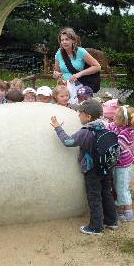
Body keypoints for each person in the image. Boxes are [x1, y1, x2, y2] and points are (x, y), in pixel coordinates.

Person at [51, 99, 117, 235]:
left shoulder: (86, 132)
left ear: (88, 116)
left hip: (92, 170)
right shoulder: (105, 126)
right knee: (107, 193)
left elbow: (68, 141)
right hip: (106, 167)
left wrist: (58, 127)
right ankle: (111, 221)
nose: (78, 116)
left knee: (94, 197)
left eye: (80, 113)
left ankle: (96, 227)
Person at [107, 105, 134, 222]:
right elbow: (109, 127)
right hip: (117, 164)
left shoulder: (127, 132)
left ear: (124, 122)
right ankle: (121, 208)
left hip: (123, 165)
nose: (113, 118)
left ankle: (128, 213)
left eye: (116, 117)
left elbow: (118, 148)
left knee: (122, 188)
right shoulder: (117, 126)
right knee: (117, 186)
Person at [52, 27, 101, 103]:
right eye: (62, 40)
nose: (64, 42)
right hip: (64, 89)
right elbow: (57, 72)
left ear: (73, 40)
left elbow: (97, 67)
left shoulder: (81, 51)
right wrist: (56, 74)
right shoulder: (59, 53)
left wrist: (79, 74)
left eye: (67, 39)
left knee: (78, 108)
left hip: (80, 87)